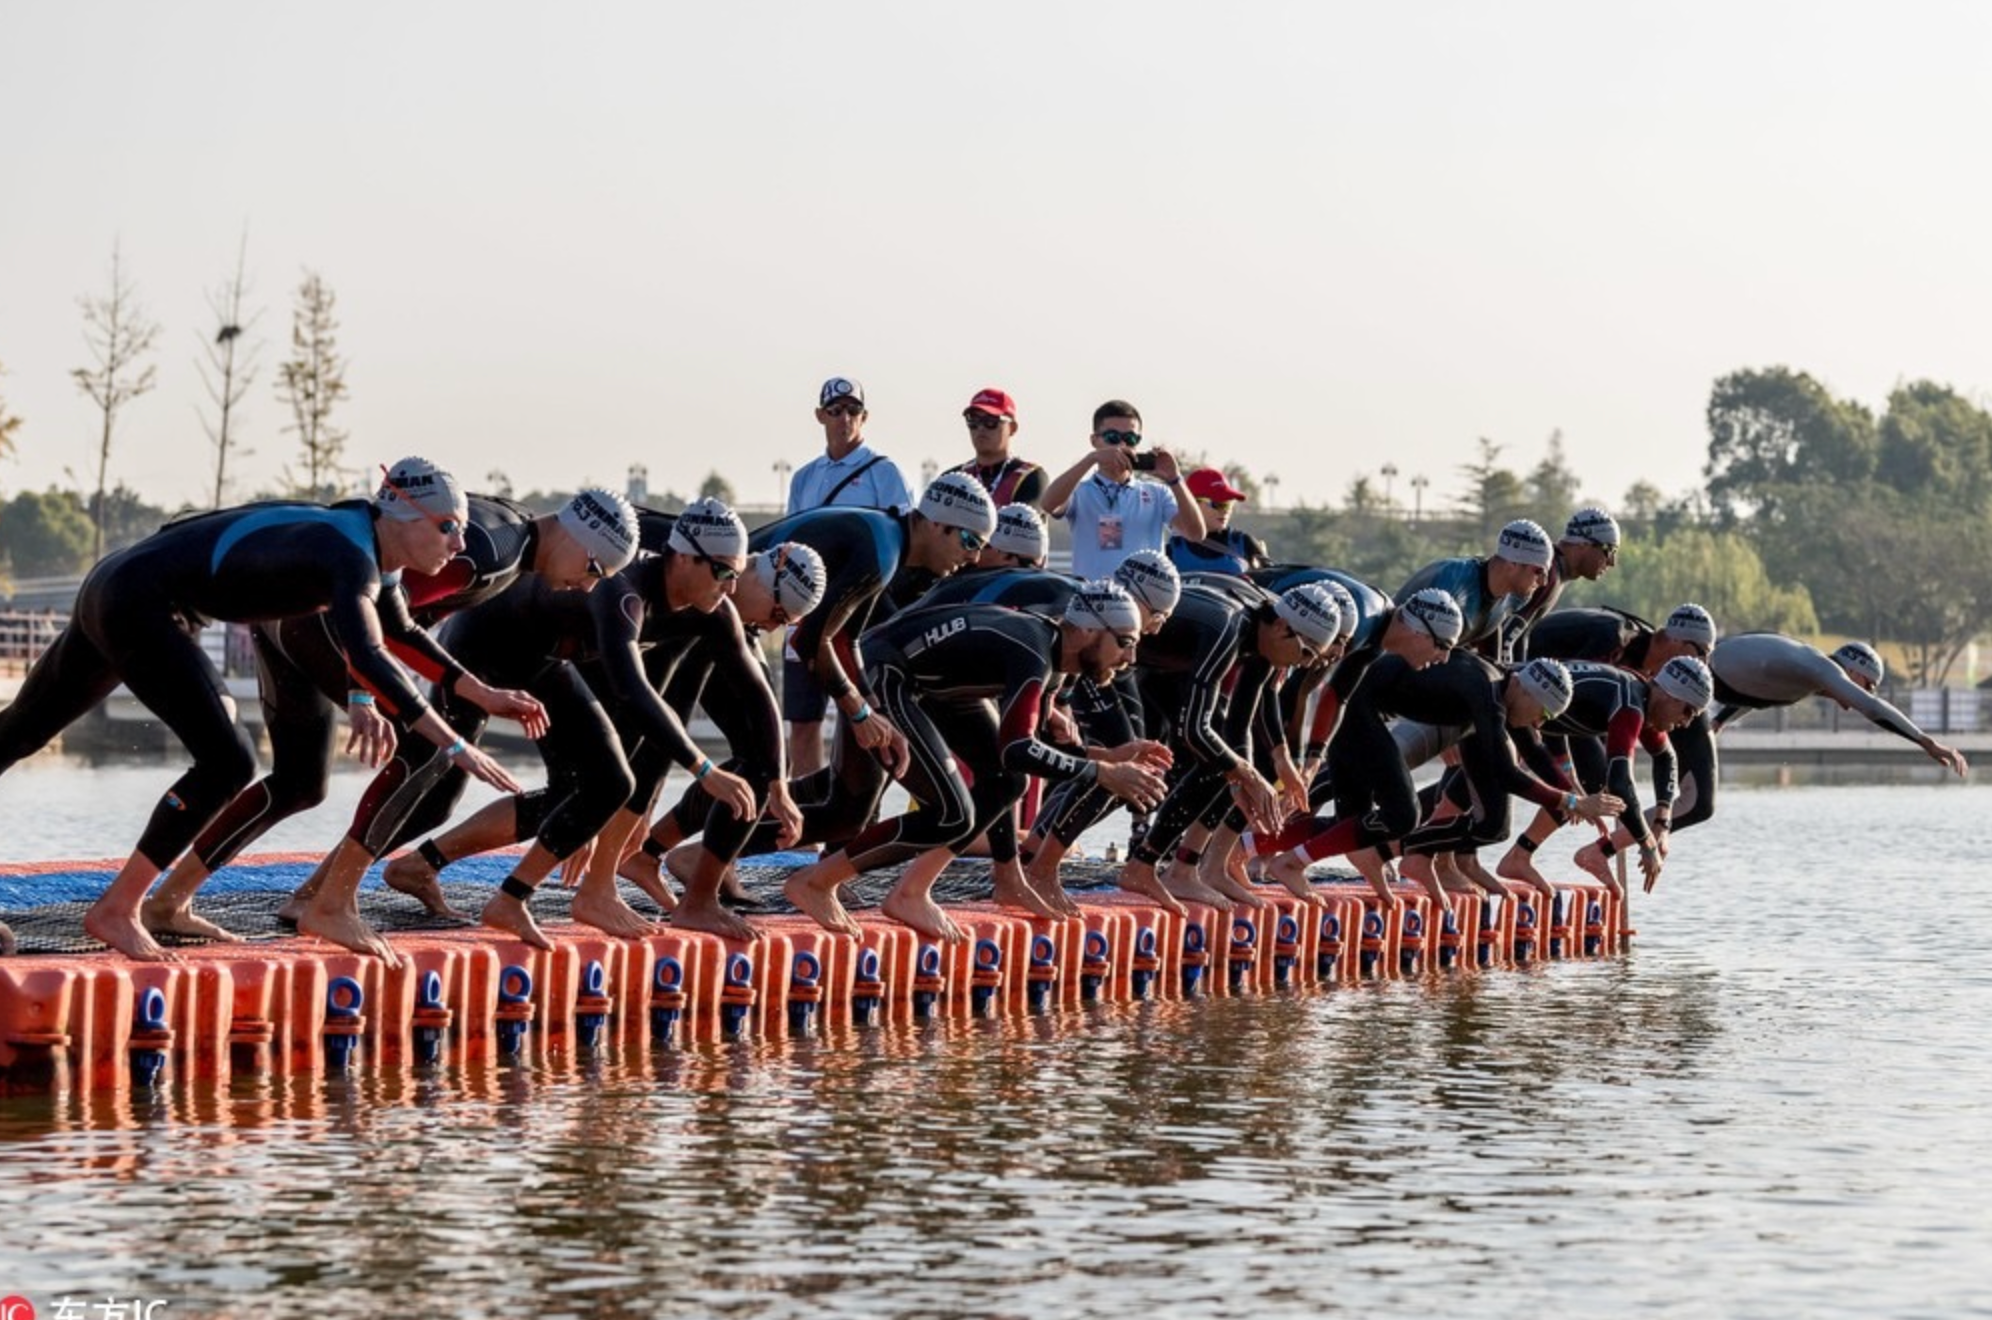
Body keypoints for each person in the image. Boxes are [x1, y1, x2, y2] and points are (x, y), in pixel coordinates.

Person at [0, 457, 525, 961]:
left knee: (17, 735)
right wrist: (452, 743)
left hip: (118, 582)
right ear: (405, 518)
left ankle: (135, 905)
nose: (459, 546)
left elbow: (403, 632)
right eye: (448, 527)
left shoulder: (365, 542)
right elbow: (368, 653)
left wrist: (484, 694)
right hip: (141, 605)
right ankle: (118, 909)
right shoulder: (353, 556)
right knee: (228, 762)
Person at [144, 486, 635, 951]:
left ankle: (169, 901)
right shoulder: (488, 556)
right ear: (574, 534)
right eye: (594, 568)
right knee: (425, 748)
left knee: (299, 782)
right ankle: (330, 902)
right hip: (323, 625)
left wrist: (475, 691)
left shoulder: (508, 531)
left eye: (602, 580)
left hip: (293, 618)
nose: (586, 585)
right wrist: (364, 696)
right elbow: (375, 605)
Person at [781, 581, 1170, 938]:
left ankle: (997, 880)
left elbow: (1021, 752)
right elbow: (1017, 748)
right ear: (1087, 631)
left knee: (1006, 781)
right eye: (1124, 642)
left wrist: (1104, 756)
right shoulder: (1035, 653)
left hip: (934, 687)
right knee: (944, 811)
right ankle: (817, 882)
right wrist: (1102, 771)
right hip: (886, 670)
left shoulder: (1056, 659)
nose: (1130, 657)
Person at [650, 473, 999, 869]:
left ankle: (668, 859)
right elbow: (810, 641)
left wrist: (871, 708)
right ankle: (669, 866)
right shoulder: (881, 554)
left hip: (734, 617)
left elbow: (846, 640)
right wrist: (859, 711)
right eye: (970, 541)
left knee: (764, 762)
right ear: (936, 524)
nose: (973, 557)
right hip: (724, 612)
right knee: (756, 757)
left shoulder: (887, 540)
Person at [1258, 588, 1467, 906]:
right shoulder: (1365, 625)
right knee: (1401, 814)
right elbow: (1301, 689)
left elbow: (1334, 695)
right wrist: (1291, 757)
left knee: (1351, 817)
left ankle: (1241, 849)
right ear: (1416, 630)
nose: (1444, 658)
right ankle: (1244, 858)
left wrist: (1312, 758)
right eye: (1442, 645)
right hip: (1263, 629)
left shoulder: (1373, 638)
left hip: (1346, 707)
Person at [1494, 655, 1714, 896]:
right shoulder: (1630, 706)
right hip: (1502, 696)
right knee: (1492, 801)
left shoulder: (1641, 694)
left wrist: (1662, 821)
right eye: (1688, 711)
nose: (1686, 722)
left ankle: (1518, 857)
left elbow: (1666, 758)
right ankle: (1452, 865)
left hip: (1522, 710)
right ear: (1671, 694)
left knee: (1578, 795)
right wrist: (1647, 843)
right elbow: (1620, 783)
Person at [1040, 399, 1204, 578]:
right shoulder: (1079, 492)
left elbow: (1195, 533)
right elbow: (1048, 504)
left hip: (1144, 603)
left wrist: (1175, 479)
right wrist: (1091, 459)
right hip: (1093, 601)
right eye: (1112, 438)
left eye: (1131, 439)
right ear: (1094, 440)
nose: (1122, 446)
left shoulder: (1158, 493)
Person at [1398, 519, 1553, 653]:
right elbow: (1416, 646)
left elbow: (1492, 627)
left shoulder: (1515, 597)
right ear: (1513, 563)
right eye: (1539, 571)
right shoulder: (1454, 583)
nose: (1543, 582)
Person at [1496, 507, 1623, 662]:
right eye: (1609, 550)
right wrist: (1506, 680)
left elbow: (1519, 635)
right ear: (1583, 544)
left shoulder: (1556, 571)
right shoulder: (1547, 574)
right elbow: (1504, 633)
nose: (1612, 562)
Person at [787, 377, 915, 515]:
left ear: (864, 417)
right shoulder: (803, 478)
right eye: (835, 410)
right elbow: (791, 532)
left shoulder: (886, 472)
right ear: (820, 415)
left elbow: (907, 531)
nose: (845, 418)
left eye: (853, 410)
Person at [951, 387, 1046, 507]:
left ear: (1012, 428)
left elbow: (1022, 521)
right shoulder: (953, 477)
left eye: (991, 421)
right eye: (973, 420)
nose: (981, 428)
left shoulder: (1030, 477)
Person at [1167, 468, 1268, 576]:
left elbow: (1272, 586)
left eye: (1228, 504)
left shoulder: (1244, 543)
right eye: (1219, 504)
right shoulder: (1171, 551)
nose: (1225, 511)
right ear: (1192, 504)